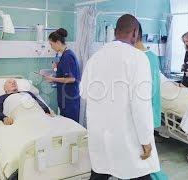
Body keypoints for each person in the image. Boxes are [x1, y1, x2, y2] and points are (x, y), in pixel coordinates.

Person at [80, 14, 160, 180]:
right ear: (135, 33)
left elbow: (84, 93)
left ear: (115, 32)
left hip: (99, 134)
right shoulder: (139, 59)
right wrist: (146, 140)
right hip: (126, 137)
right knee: (137, 172)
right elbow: (141, 105)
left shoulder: (94, 58)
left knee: (100, 172)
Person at [135, 23, 168, 180]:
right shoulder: (153, 56)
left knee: (141, 148)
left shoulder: (137, 57)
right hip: (150, 109)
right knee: (147, 146)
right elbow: (155, 88)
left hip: (141, 110)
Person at [44, 28, 81, 123]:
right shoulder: (66, 55)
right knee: (67, 126)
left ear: (58, 42)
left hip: (69, 99)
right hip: (67, 98)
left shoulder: (67, 56)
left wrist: (52, 78)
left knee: (70, 127)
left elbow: (71, 79)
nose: (51, 47)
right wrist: (57, 68)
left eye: (51, 44)